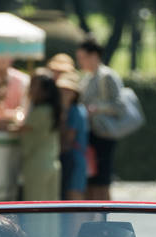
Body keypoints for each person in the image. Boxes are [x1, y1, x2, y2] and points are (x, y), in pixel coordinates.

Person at [76, 36, 123, 201]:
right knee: (92, 181)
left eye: (83, 57)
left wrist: (96, 109)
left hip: (104, 135)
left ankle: (106, 222)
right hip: (92, 134)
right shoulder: (88, 78)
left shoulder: (107, 76)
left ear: (94, 55)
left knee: (102, 182)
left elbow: (119, 106)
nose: (80, 62)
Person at [20, 70, 62, 202]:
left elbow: (19, 130)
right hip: (52, 164)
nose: (30, 89)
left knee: (34, 205)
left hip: (37, 166)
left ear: (45, 91)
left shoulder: (40, 112)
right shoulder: (52, 110)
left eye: (33, 85)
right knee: (50, 208)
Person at [57, 72, 88, 201]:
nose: (64, 93)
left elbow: (68, 139)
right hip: (70, 159)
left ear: (75, 93)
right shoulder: (68, 109)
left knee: (73, 198)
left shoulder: (76, 111)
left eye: (68, 91)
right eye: (62, 90)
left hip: (75, 160)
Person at [0, 55, 30, 129]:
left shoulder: (23, 81)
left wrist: (7, 114)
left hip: (13, 131)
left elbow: (26, 112)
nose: (0, 59)